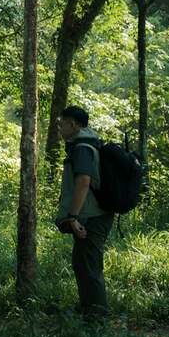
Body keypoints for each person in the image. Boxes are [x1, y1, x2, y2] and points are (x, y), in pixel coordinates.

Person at [54, 105, 115, 321]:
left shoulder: (82, 148)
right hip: (94, 213)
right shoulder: (88, 144)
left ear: (74, 124)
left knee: (89, 266)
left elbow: (83, 182)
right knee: (83, 263)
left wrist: (73, 216)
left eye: (61, 124)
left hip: (92, 216)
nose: (59, 129)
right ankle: (89, 310)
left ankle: (97, 318)